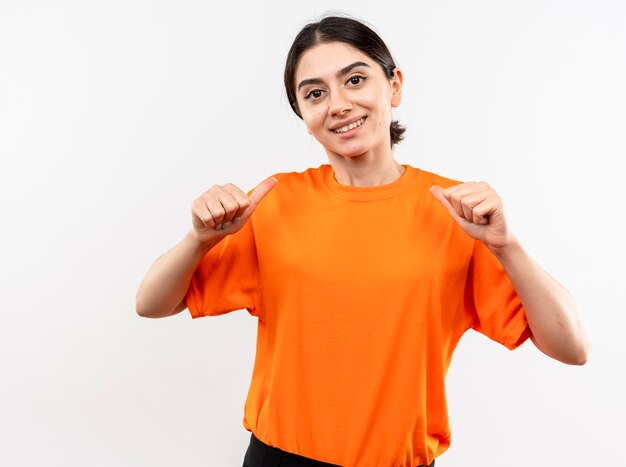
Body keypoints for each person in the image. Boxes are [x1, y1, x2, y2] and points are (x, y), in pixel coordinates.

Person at [135, 15, 592, 467]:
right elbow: (152, 303)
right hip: (278, 459)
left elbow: (572, 348)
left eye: (354, 79)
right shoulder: (274, 202)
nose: (338, 104)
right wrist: (197, 240)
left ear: (393, 85)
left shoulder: (458, 212)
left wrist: (506, 246)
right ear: (304, 116)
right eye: (315, 93)